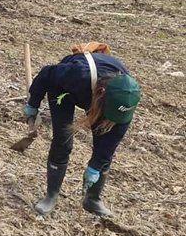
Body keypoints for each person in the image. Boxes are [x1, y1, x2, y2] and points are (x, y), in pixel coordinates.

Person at [24, 43, 141, 217]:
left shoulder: (126, 99)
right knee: (62, 140)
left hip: (102, 98)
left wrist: (96, 166)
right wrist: (33, 104)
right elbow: (46, 74)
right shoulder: (76, 75)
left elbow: (111, 142)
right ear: (100, 94)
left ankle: (92, 199)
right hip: (64, 91)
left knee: (104, 143)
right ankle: (51, 196)